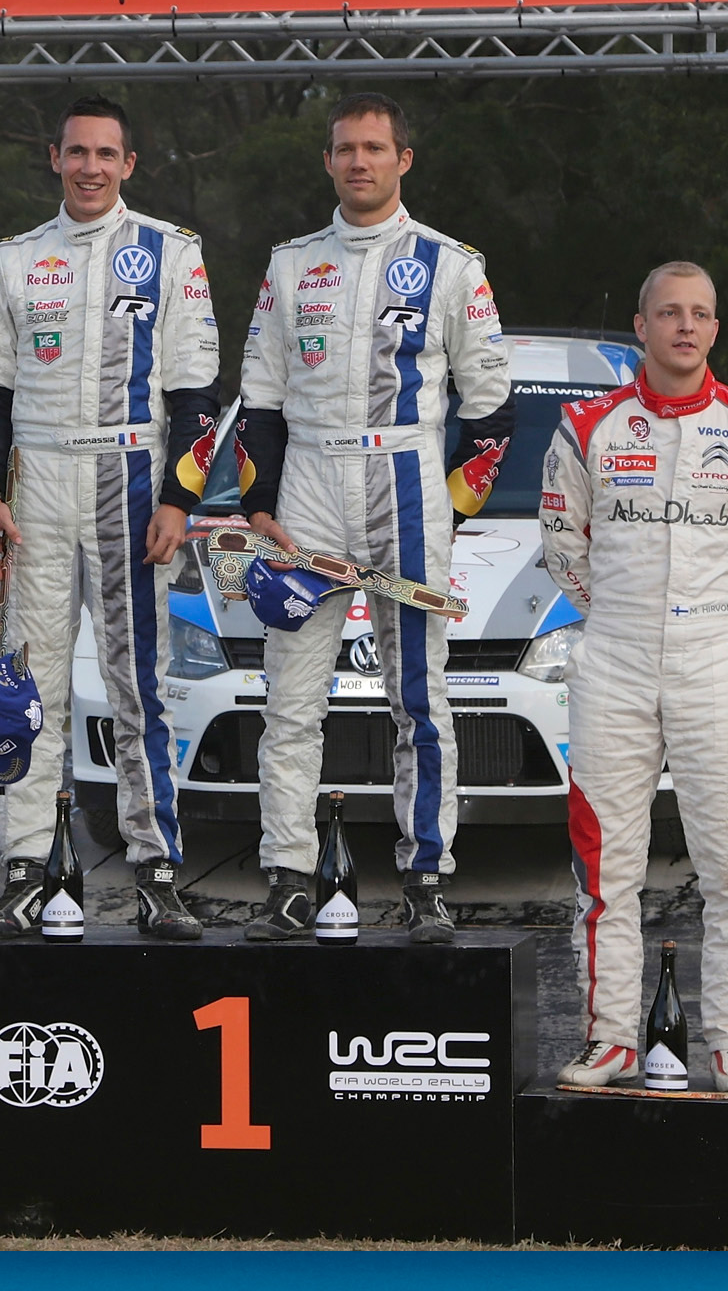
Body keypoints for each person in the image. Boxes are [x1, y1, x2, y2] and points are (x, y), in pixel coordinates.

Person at [236, 92, 513, 944]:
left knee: (419, 698)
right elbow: (259, 396)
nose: (360, 161)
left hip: (407, 477)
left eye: (375, 147)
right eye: (346, 148)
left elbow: (491, 407)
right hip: (309, 486)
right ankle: (288, 879)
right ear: (328, 161)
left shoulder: (451, 265)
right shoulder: (291, 265)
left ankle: (426, 880)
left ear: (404, 160)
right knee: (291, 699)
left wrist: (449, 509)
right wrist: (258, 505)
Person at [0, 96, 221, 942]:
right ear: (54, 157)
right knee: (25, 683)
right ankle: (24, 871)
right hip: (36, 481)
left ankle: (157, 872)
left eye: (106, 154)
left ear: (128, 164)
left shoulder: (172, 253)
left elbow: (196, 395)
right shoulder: (13, 259)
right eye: (77, 152)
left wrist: (179, 499)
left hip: (131, 476)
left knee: (138, 683)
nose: (90, 167)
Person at [539, 263, 728, 1091]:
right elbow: (564, 546)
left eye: (700, 314)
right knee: (604, 864)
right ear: (641, 326)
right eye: (669, 312)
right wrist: (626, 616)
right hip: (611, 655)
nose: (685, 326)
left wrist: (707, 618)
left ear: (716, 328)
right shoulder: (586, 425)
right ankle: (611, 1037)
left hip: (715, 655)